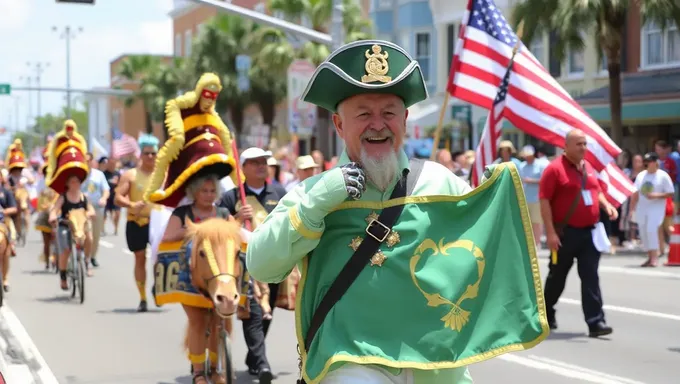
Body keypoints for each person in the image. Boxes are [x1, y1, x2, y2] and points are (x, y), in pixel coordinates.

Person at [246, 40, 481, 384]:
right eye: (363, 114)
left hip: (434, 364)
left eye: (388, 113)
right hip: (351, 360)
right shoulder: (313, 191)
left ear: (403, 119)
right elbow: (261, 265)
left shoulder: (440, 182)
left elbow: (488, 254)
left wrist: (498, 194)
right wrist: (318, 204)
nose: (378, 124)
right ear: (339, 126)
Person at [146, 72, 241, 384]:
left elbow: (237, 238)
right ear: (194, 192)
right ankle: (199, 372)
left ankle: (218, 365)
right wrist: (192, 233)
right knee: (199, 322)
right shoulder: (184, 212)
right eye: (204, 191)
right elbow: (167, 237)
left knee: (225, 323)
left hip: (222, 280)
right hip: (191, 279)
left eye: (213, 191)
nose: (209, 195)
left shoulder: (225, 210)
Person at [539, 129, 617, 337]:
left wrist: (606, 206)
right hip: (565, 235)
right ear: (566, 146)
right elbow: (544, 200)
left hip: (589, 234)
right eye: (578, 144)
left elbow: (596, 191)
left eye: (585, 143)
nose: (583, 147)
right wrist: (551, 234)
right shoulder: (554, 169)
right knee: (558, 277)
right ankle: (546, 312)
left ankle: (595, 322)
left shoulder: (588, 167)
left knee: (590, 276)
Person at [218, 146, 287, 383]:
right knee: (254, 312)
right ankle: (262, 363)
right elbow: (218, 230)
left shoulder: (279, 192)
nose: (261, 166)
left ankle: (253, 356)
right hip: (244, 263)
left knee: (267, 312)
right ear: (243, 167)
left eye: (264, 162)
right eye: (256, 162)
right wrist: (236, 219)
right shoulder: (231, 197)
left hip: (274, 261)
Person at [45, 120, 94, 289]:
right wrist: (52, 216)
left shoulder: (83, 196)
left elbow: (90, 209)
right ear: (68, 183)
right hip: (66, 226)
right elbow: (55, 210)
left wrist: (90, 214)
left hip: (81, 226)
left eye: (77, 181)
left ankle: (86, 261)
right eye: (72, 181)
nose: (76, 184)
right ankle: (63, 277)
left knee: (90, 238)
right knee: (65, 250)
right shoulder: (63, 197)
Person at [115, 134, 159, 312]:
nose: (150, 157)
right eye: (147, 153)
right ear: (141, 155)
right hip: (136, 222)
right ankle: (142, 297)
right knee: (140, 259)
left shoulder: (162, 174)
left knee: (160, 259)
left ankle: (159, 287)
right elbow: (118, 197)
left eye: (153, 154)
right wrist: (131, 204)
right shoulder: (130, 175)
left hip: (157, 223)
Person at [629, 152, 674, 267]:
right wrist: (631, 209)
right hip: (642, 208)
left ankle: (655, 257)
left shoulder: (663, 176)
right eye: (645, 162)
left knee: (651, 229)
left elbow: (670, 192)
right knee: (643, 232)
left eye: (648, 162)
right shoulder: (641, 175)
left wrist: (656, 196)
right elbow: (635, 193)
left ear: (655, 163)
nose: (646, 164)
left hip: (656, 208)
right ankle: (650, 257)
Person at [82, 152, 110, 268]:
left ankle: (92, 256)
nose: (86, 163)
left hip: (97, 207)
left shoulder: (99, 175)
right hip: (83, 209)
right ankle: (84, 256)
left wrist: (103, 198)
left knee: (96, 234)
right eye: (84, 160)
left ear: (92, 161)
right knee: (87, 234)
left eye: (88, 160)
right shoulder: (79, 175)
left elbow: (106, 190)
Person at [519, 145, 546, 249]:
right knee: (526, 222)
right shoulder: (522, 166)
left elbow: (544, 180)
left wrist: (531, 181)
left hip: (536, 198)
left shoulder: (539, 165)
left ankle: (537, 243)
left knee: (537, 222)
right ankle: (527, 244)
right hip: (525, 198)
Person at [34, 164, 58, 269]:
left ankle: (56, 258)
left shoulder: (58, 182)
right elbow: (39, 198)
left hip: (56, 214)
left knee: (57, 239)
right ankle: (47, 260)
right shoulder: (41, 183)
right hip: (44, 215)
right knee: (46, 242)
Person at [0, 172, 17, 292]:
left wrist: (4, 211)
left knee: (6, 248)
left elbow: (14, 208)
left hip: (2, 222)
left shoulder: (6, 192)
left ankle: (5, 279)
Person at [101, 156, 121, 236]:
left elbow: (121, 184)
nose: (112, 165)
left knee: (117, 213)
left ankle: (116, 228)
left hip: (115, 197)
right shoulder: (103, 174)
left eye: (113, 163)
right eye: (110, 163)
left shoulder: (117, 174)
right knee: (104, 214)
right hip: (106, 197)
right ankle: (102, 229)